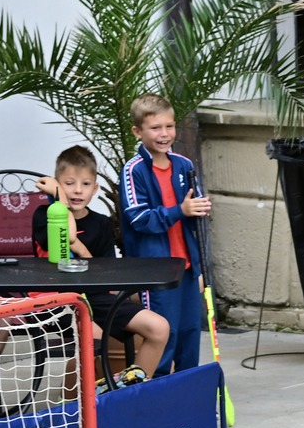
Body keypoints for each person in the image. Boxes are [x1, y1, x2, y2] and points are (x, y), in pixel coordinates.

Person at [34, 145, 170, 386]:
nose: (77, 190)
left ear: (95, 188)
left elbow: (103, 272)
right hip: (58, 298)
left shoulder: (102, 224)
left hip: (95, 297)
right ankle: (72, 409)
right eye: (68, 184)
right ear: (57, 185)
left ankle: (128, 391)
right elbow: (68, 237)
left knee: (159, 328)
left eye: (85, 184)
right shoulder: (45, 214)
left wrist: (82, 251)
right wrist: (60, 201)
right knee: (91, 338)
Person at [119, 96, 208, 377]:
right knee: (163, 334)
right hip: (156, 271)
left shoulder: (183, 164)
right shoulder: (134, 170)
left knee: (190, 332)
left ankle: (186, 391)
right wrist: (180, 210)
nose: (165, 134)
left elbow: (195, 209)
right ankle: (158, 396)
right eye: (156, 127)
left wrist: (199, 207)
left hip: (187, 267)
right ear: (138, 132)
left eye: (169, 126)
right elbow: (139, 218)